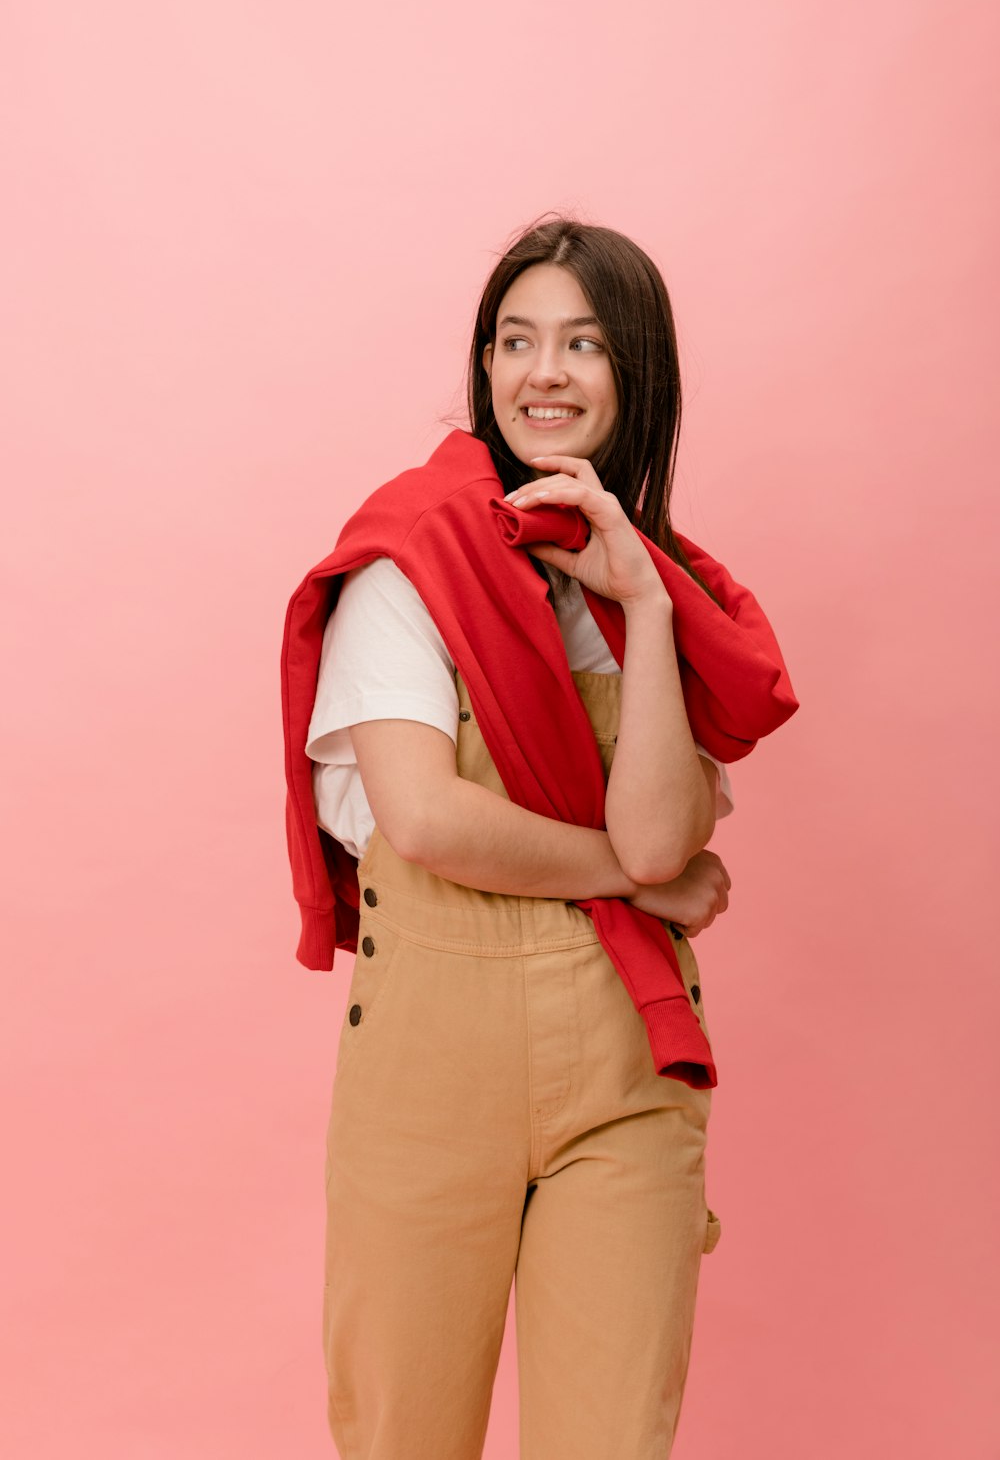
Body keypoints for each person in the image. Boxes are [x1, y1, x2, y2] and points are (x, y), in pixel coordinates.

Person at [306, 217, 739, 1459]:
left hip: (624, 1068)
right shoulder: (411, 565)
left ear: (634, 374)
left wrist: (646, 601)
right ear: (486, 365)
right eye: (516, 340)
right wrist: (634, 879)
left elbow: (660, 834)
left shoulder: (659, 593)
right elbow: (429, 815)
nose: (542, 371)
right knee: (404, 1437)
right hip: (430, 1072)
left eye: (583, 342)